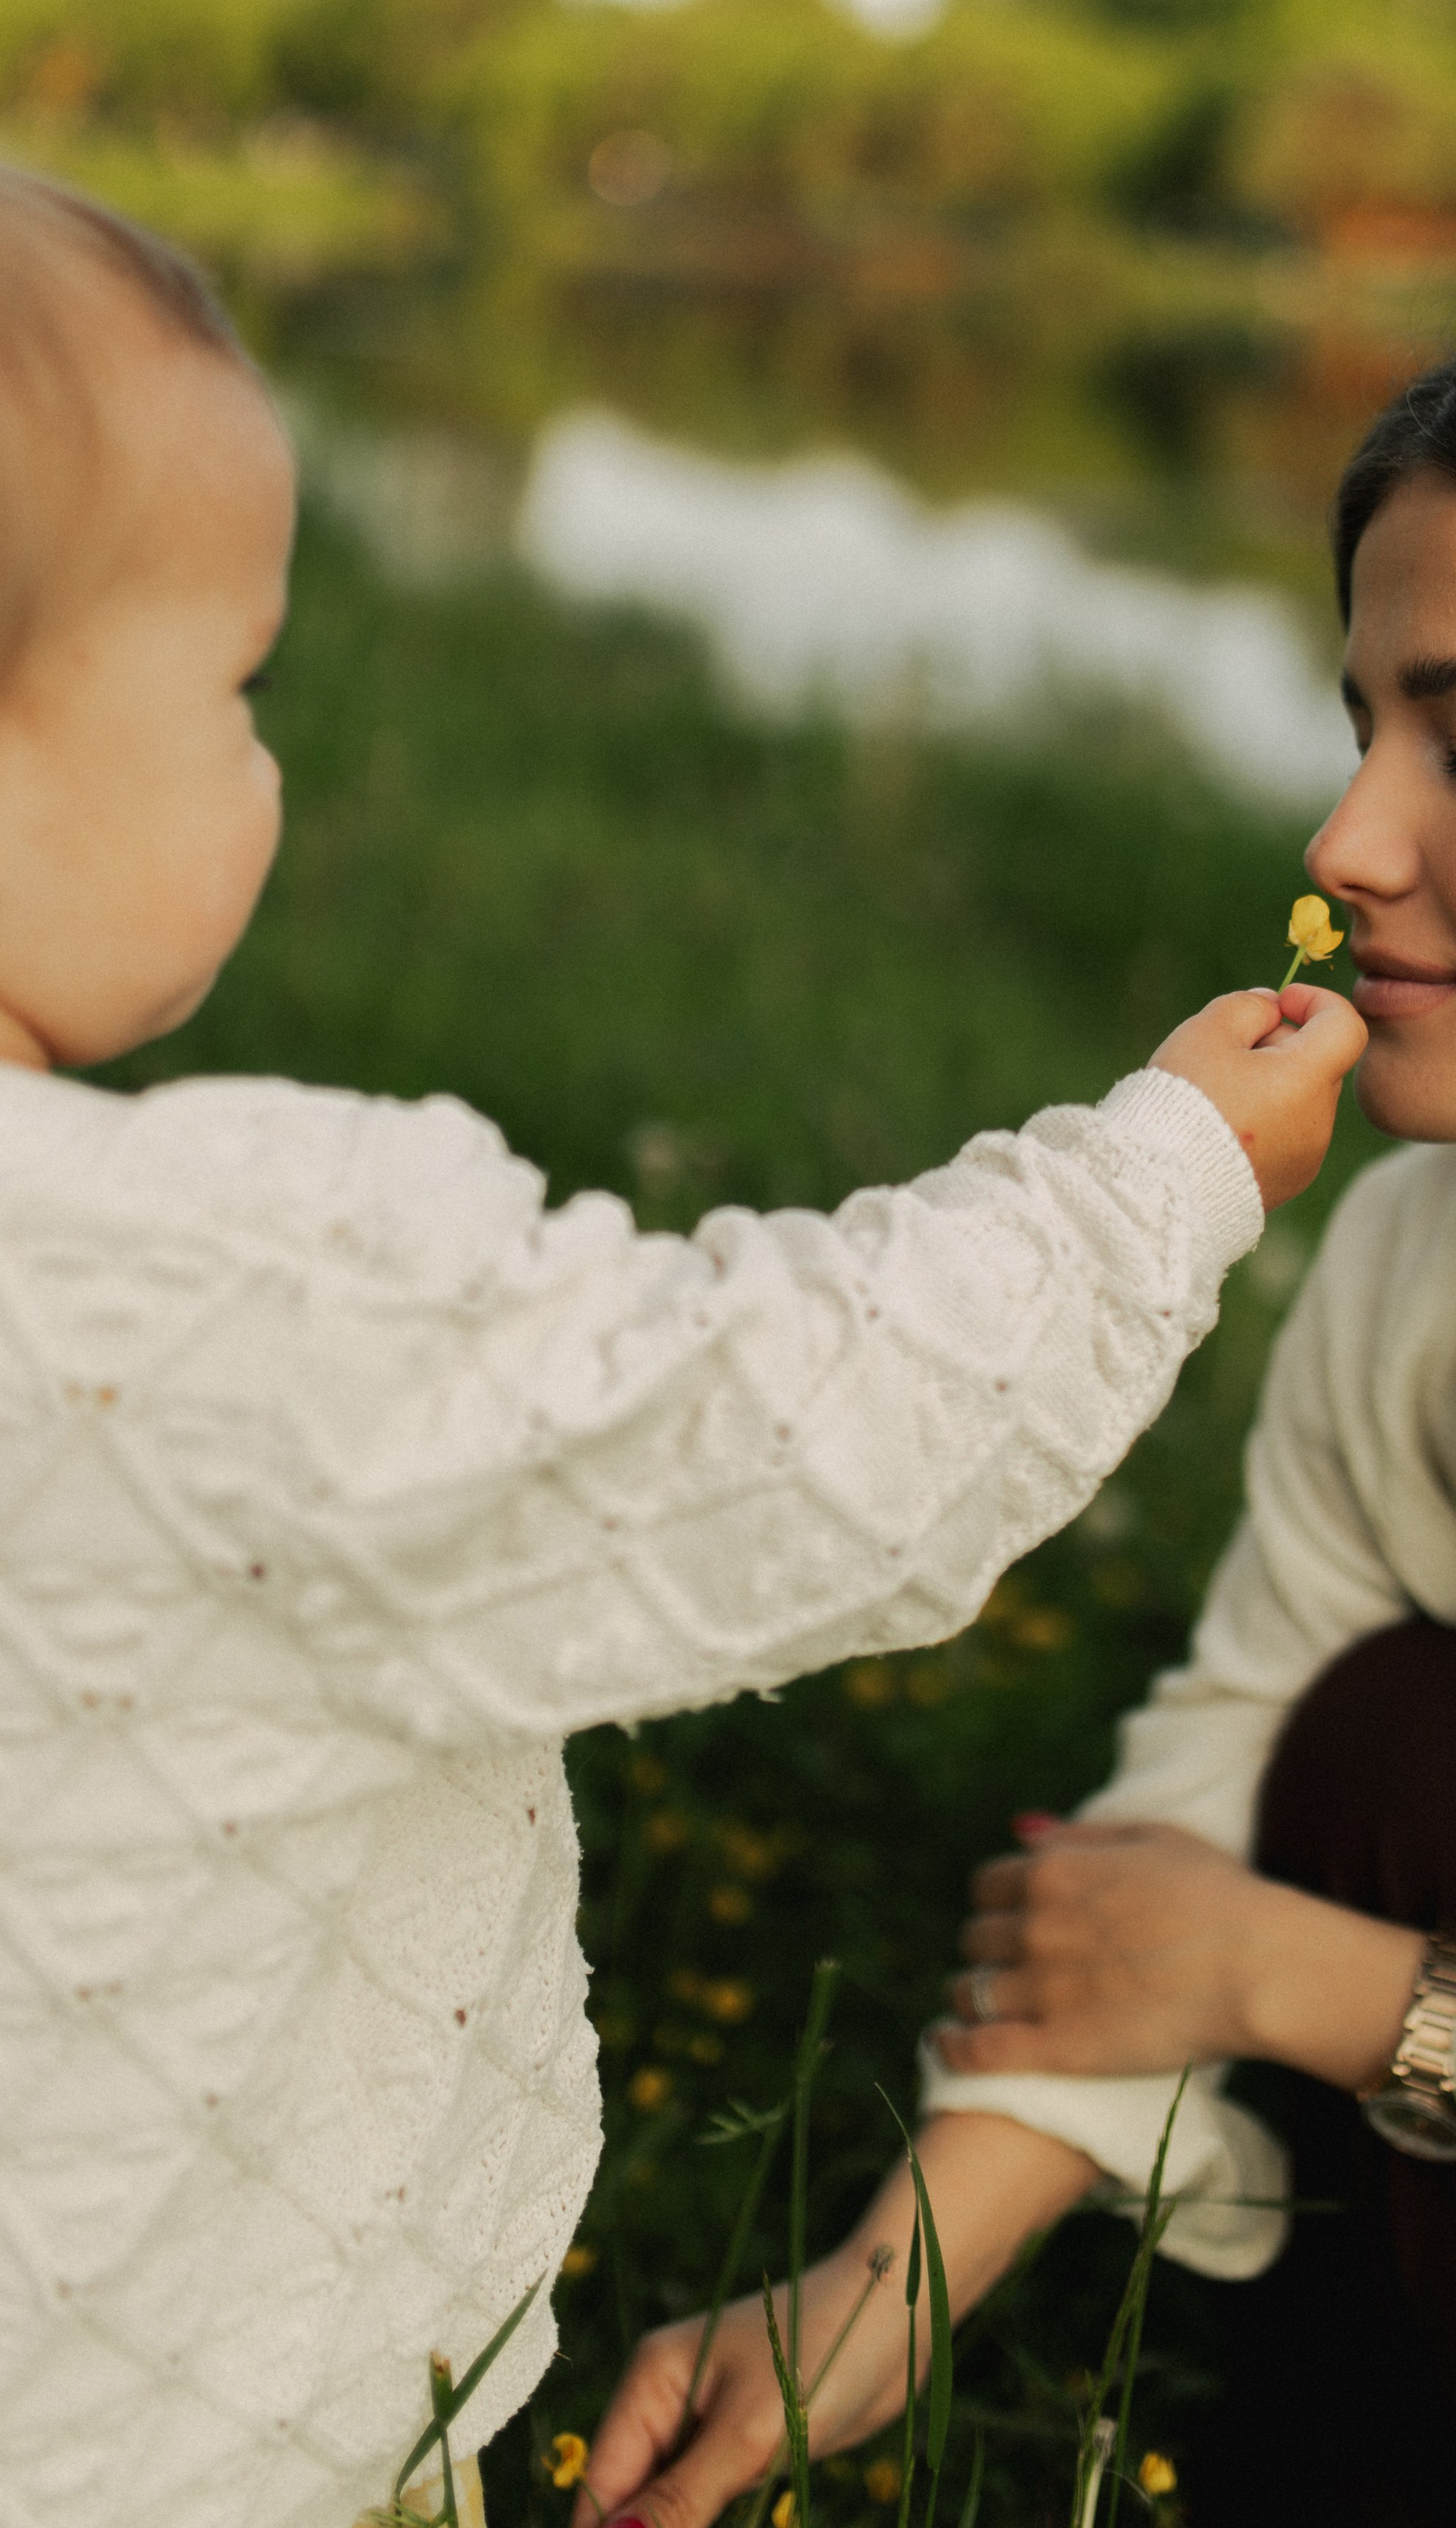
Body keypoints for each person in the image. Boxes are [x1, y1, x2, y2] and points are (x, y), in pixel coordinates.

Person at [0, 165, 1367, 2528]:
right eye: (234, 689)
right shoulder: (220, 1285)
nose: (269, 769)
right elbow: (773, 1435)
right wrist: (1157, 1180)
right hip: (203, 2431)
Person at [589, 272, 1456, 2528]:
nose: (1345, 844)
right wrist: (890, 2270)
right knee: (1385, 1732)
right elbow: (1246, 1742)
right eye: (1361, 727)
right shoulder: (1449, 1254)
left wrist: (1343, 1995)